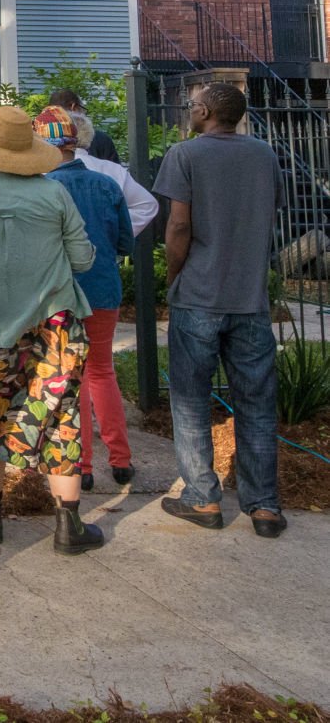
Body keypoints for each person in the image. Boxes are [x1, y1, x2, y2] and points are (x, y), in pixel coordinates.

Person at [0, 106, 102, 558]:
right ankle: (69, 524)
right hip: (55, 326)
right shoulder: (55, 194)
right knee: (62, 420)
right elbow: (83, 261)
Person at [154, 82, 287, 537]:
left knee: (190, 401)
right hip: (250, 298)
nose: (189, 111)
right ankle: (265, 506)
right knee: (258, 403)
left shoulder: (185, 155)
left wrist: (173, 277)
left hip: (198, 296)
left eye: (192, 106)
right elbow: (268, 214)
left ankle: (202, 498)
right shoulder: (264, 155)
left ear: (205, 111)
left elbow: (178, 224)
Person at [35, 106, 138, 492]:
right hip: (104, 289)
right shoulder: (107, 185)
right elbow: (126, 241)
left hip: (61, 294)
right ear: (74, 142)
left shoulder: (45, 188)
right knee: (102, 372)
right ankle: (122, 460)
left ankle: (82, 464)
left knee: (69, 378)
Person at [70, 110, 160, 238]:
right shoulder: (112, 170)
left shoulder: (46, 170)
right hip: (104, 248)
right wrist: (113, 230)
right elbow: (147, 206)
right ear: (90, 136)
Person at [48, 88, 119, 164]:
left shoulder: (39, 138)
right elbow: (115, 172)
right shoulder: (100, 139)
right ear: (74, 107)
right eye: (83, 109)